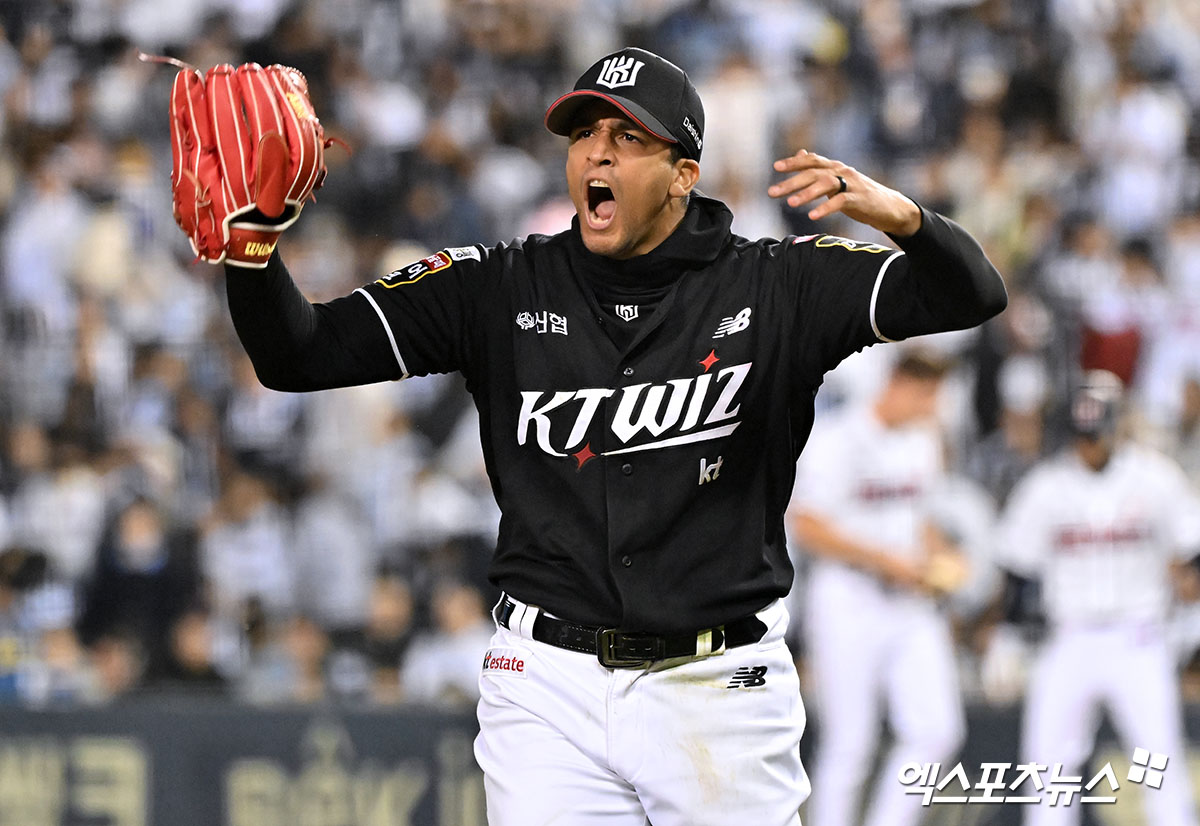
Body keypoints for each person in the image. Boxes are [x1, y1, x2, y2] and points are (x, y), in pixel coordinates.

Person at [189, 47, 1006, 826]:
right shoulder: (498, 285)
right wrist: (254, 243)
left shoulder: (778, 284)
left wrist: (903, 218)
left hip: (718, 686)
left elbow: (969, 295)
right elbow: (298, 355)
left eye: (626, 137)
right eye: (583, 135)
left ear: (684, 173)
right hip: (547, 686)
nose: (596, 157)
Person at [993, 370, 1200, 826]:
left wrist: (1189, 612)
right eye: (1083, 434)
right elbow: (1018, 570)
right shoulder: (1045, 486)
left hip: (1139, 636)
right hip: (1069, 637)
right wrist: (1007, 637)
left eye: (1098, 432)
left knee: (1159, 764)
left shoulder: (1155, 477)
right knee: (1048, 769)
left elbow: (1190, 551)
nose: (1090, 443)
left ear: (1115, 426)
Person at [789, 350, 968, 826]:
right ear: (900, 384)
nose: (933, 406)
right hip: (848, 597)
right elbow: (806, 524)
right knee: (851, 741)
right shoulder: (837, 438)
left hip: (909, 600)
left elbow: (919, 518)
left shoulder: (922, 441)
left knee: (936, 730)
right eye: (927, 394)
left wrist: (943, 553)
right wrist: (884, 560)